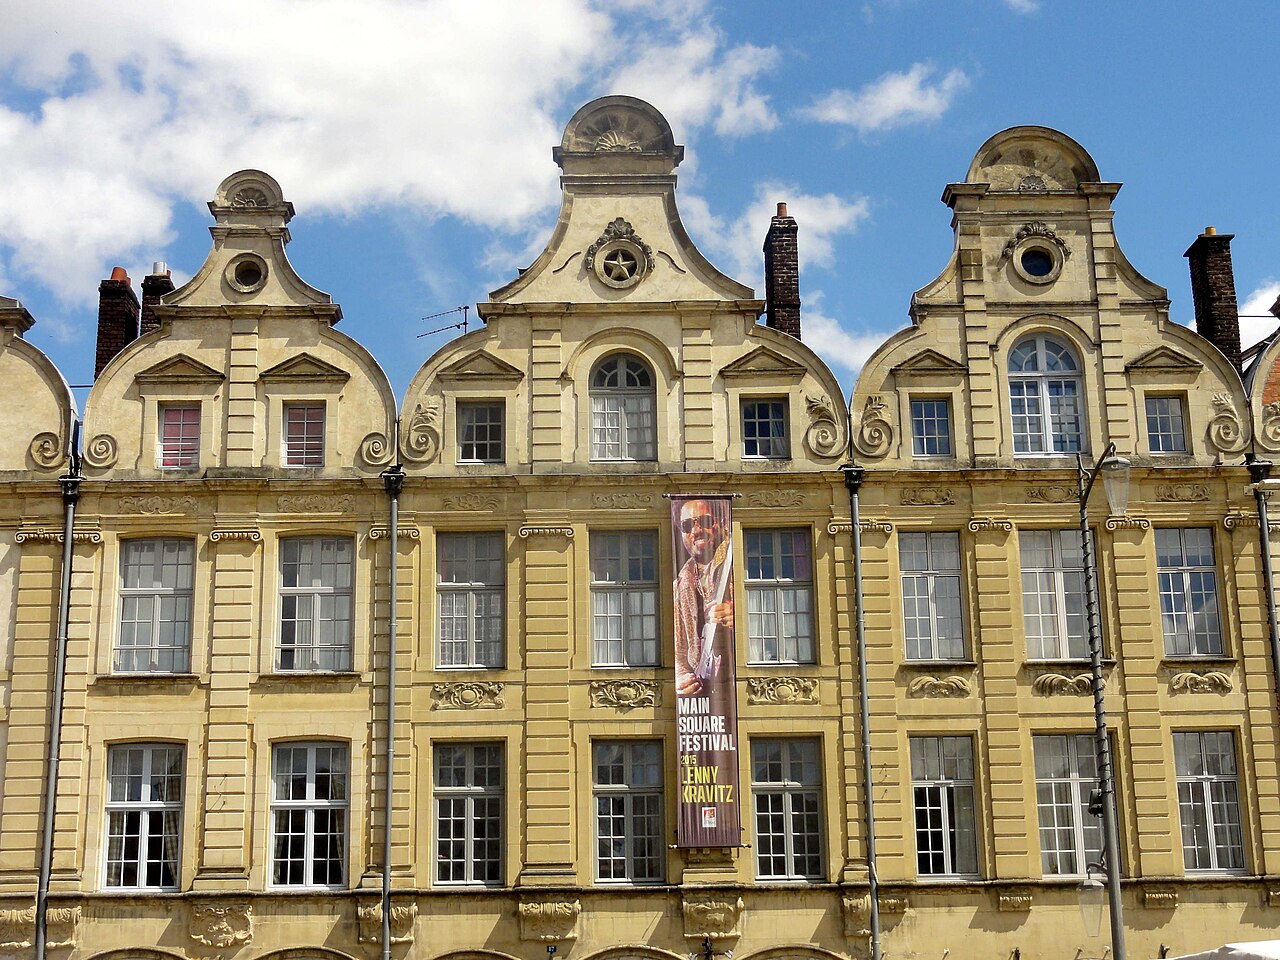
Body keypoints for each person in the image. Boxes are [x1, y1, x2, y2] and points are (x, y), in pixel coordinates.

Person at [673, 498, 733, 697]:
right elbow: (678, 651)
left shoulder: (735, 560)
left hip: (734, 683)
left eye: (704, 522)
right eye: (687, 525)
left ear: (720, 522)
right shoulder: (679, 584)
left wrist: (739, 617)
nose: (696, 531)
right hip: (702, 692)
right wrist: (682, 678)